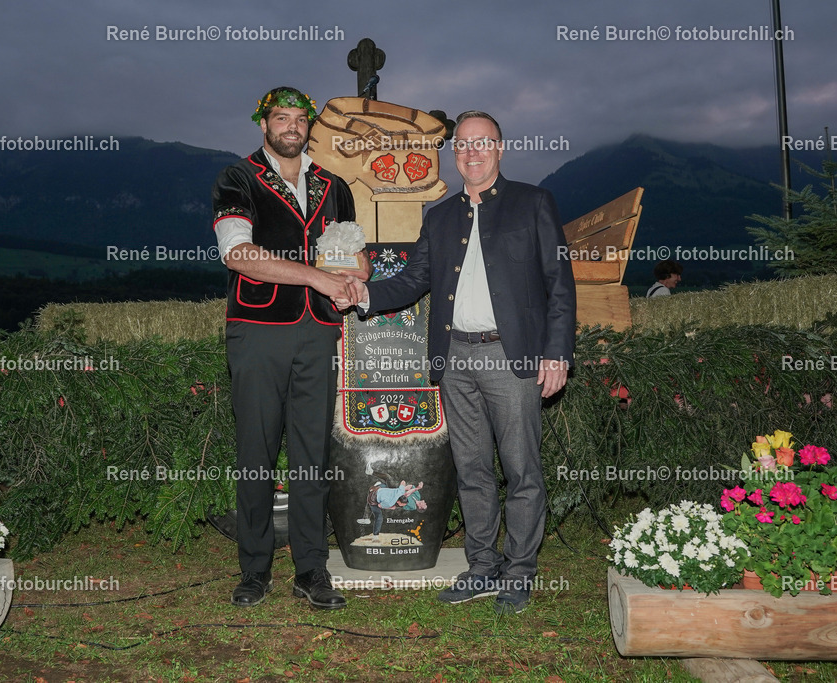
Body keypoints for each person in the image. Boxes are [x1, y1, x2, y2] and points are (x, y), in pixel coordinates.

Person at [338, 111, 576, 614]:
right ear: (455, 154)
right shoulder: (440, 217)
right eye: (463, 145)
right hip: (455, 358)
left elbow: (560, 283)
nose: (471, 152)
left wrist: (557, 353)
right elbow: (410, 281)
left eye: (482, 143)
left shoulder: (534, 203)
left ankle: (520, 571)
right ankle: (482, 566)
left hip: (514, 359)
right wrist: (362, 292)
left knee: (521, 469)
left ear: (500, 149)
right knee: (471, 471)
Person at [212, 86, 370, 610]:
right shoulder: (239, 178)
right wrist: (323, 280)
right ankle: (255, 570)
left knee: (312, 455)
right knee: (256, 451)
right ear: (264, 125)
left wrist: (351, 280)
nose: (290, 127)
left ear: (309, 127)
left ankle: (311, 569)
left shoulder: (335, 185)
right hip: (258, 327)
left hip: (318, 330)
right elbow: (238, 254)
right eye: (280, 118)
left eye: (299, 119)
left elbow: (355, 258)